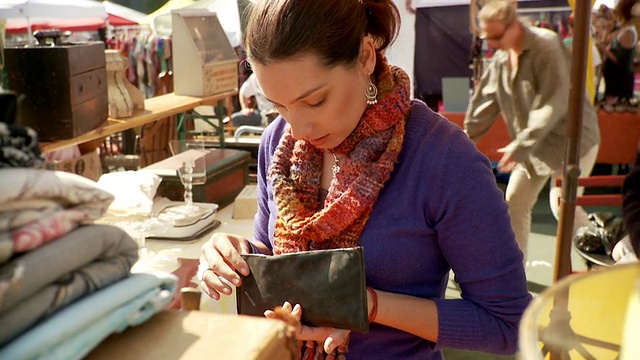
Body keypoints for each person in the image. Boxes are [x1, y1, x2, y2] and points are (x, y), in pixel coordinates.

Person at [199, 0, 531, 358]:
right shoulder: (277, 146)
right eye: (278, 105)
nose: (297, 128)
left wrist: (366, 305)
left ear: (365, 57)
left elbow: (508, 324)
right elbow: (276, 257)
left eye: (315, 101)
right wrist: (240, 256)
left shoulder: (444, 160)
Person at [465, 1, 601, 262]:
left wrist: (520, 145)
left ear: (514, 25)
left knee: (562, 205)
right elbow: (484, 106)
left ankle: (601, 248)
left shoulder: (547, 45)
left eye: (496, 36)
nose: (492, 43)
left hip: (574, 140)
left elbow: (554, 103)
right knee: (515, 200)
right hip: (536, 147)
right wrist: (462, 140)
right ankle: (514, 272)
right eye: (487, 37)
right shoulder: (501, 59)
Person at [598, 0, 638, 112]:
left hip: (620, 82)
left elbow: (621, 60)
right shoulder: (622, 29)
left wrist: (603, 50)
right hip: (613, 82)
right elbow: (607, 40)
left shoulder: (628, 32)